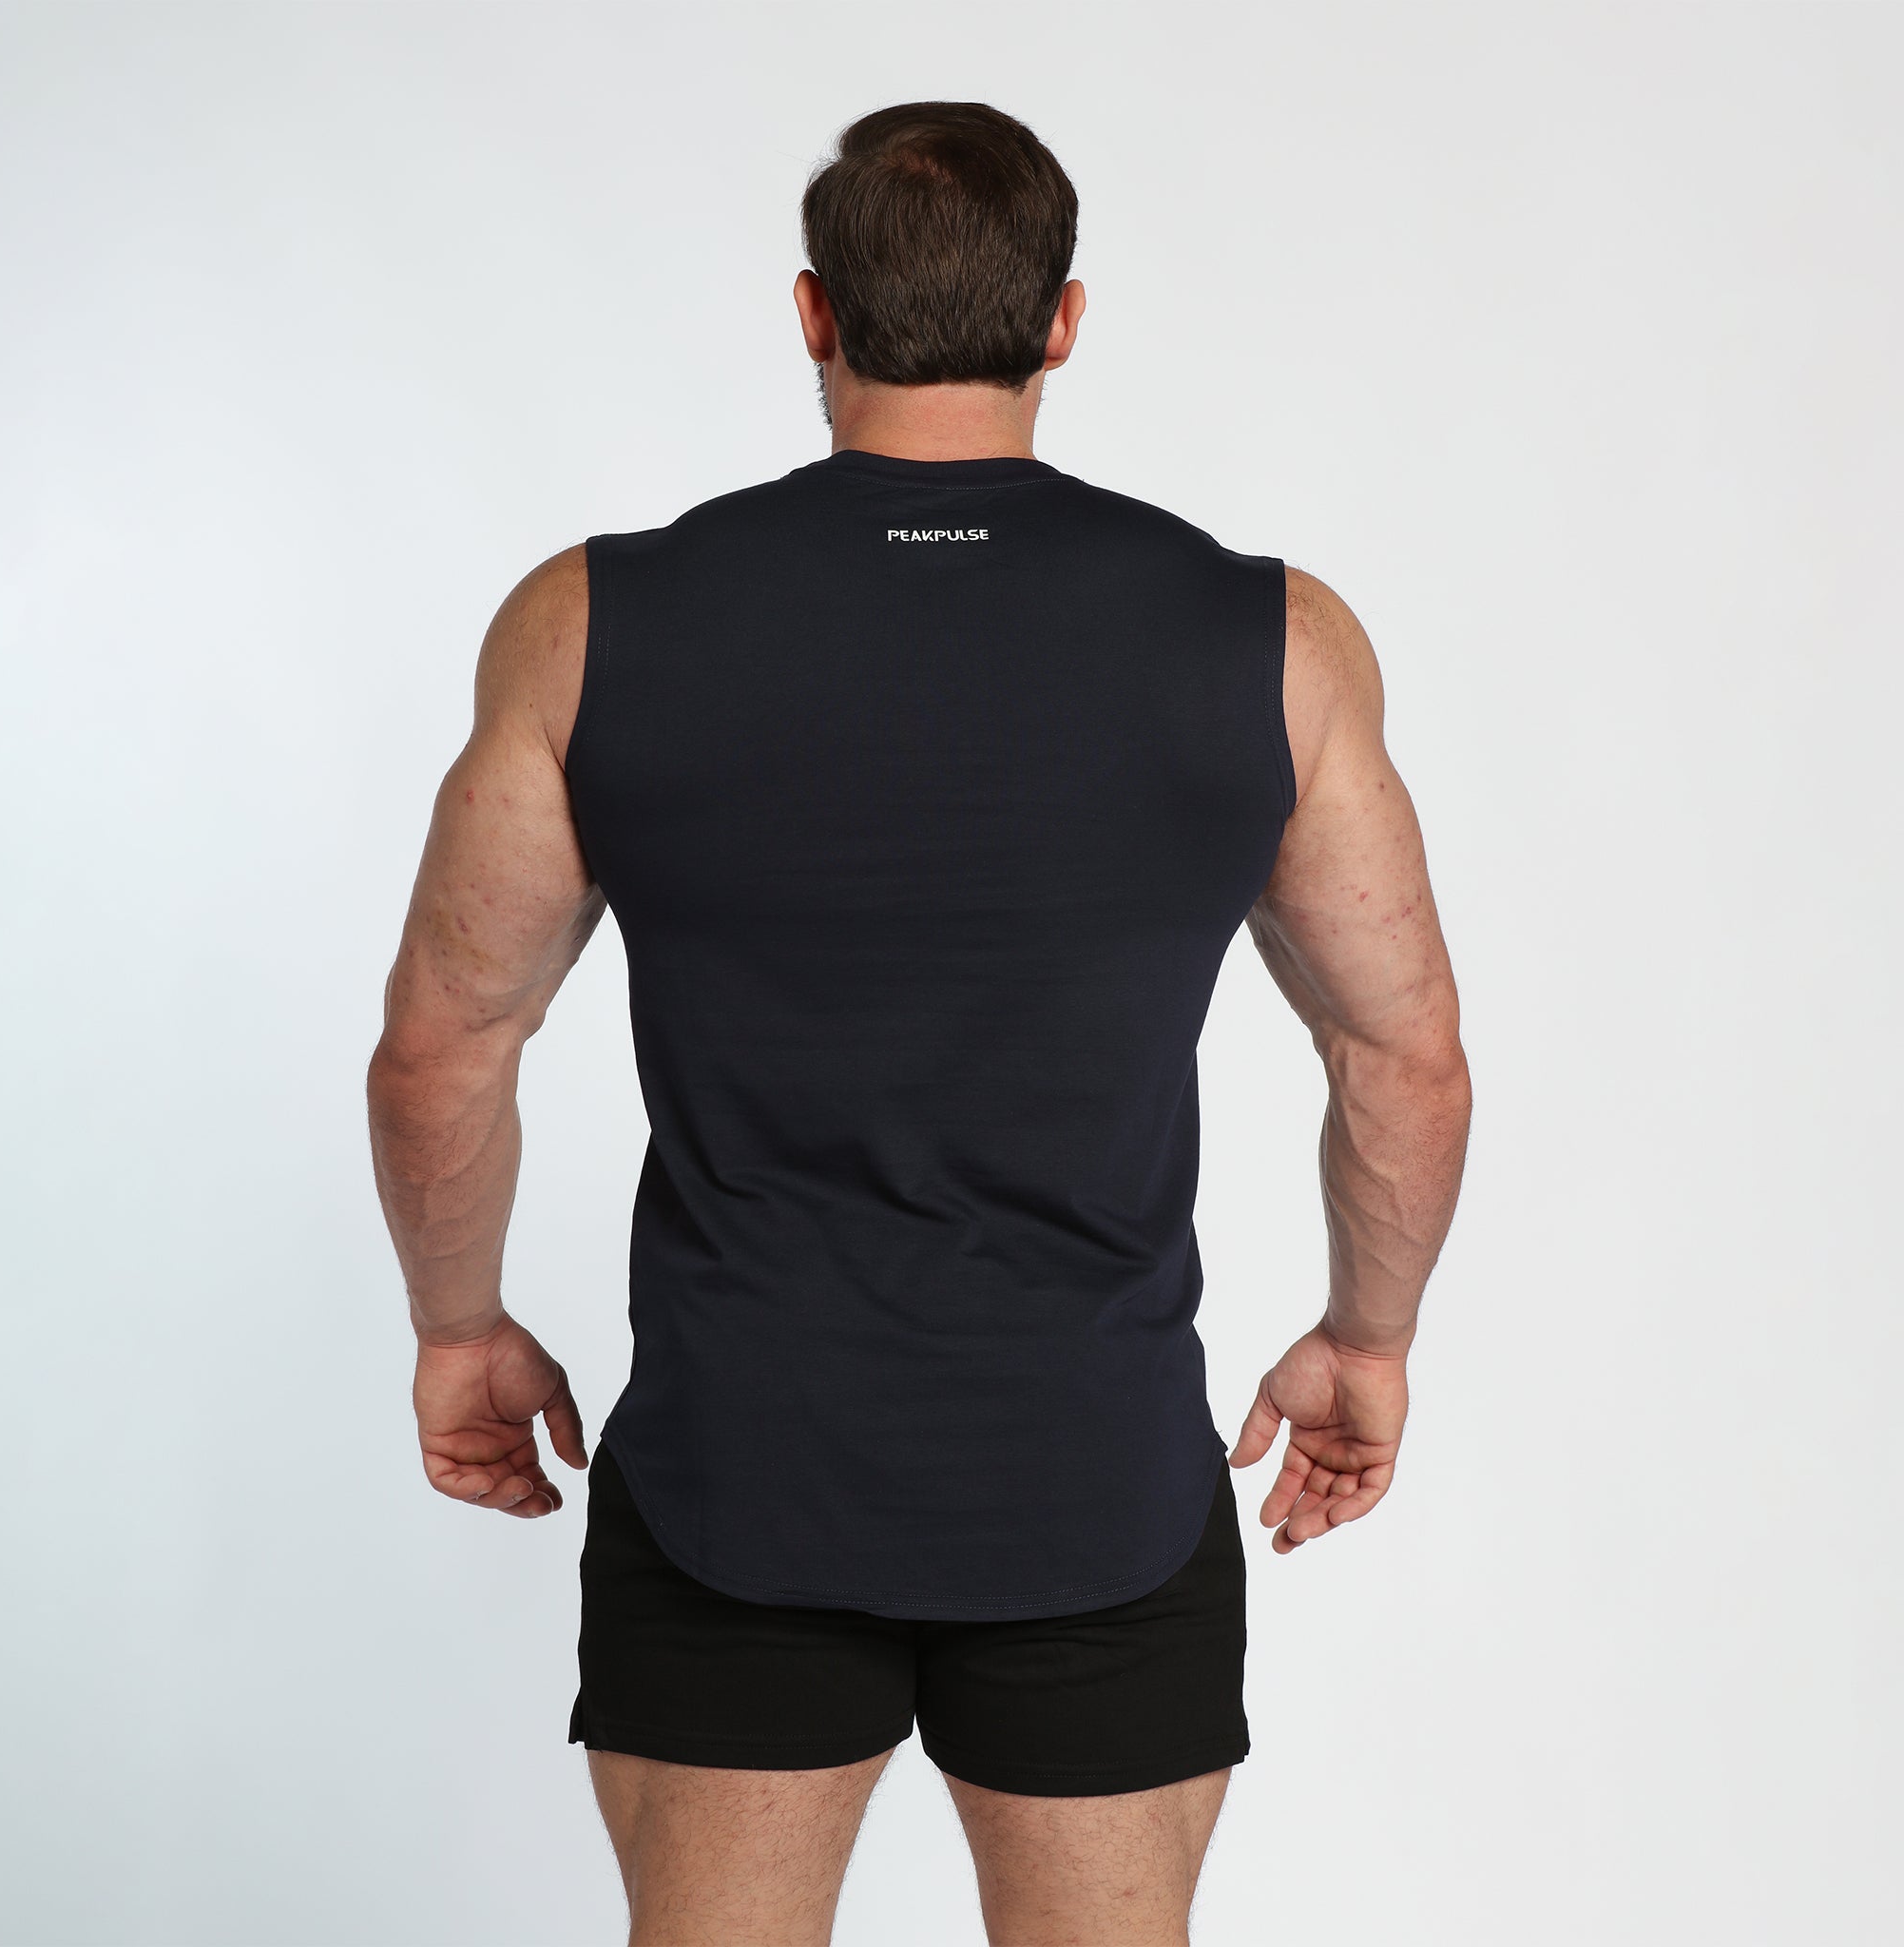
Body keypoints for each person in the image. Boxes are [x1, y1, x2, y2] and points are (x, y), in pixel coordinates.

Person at [367, 100, 1471, 1947]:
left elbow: (445, 1045)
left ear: (815, 312)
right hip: (1097, 1483)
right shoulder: (1270, 642)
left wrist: (457, 1326)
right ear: (1063, 323)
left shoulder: (591, 625)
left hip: (738, 1476)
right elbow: (1399, 1054)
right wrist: (1370, 1338)